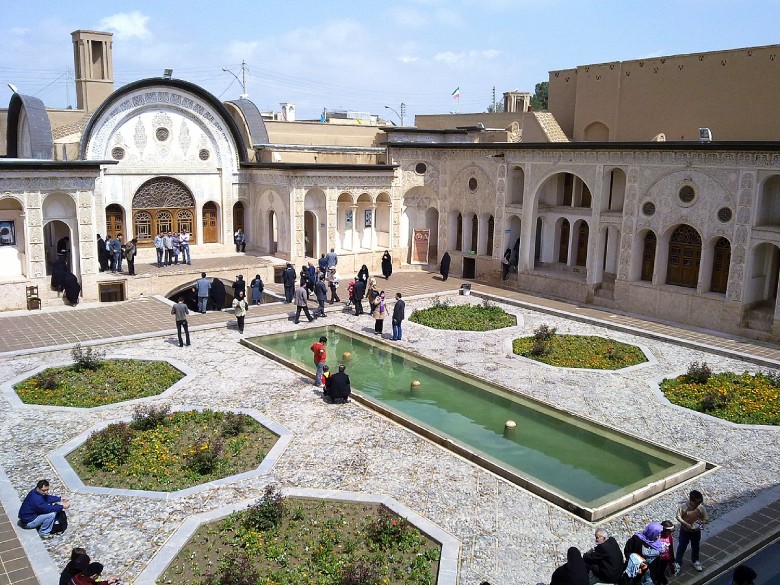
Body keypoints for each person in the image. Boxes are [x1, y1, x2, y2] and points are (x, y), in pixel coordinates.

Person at [674, 489, 708, 573]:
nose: (697, 505)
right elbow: (678, 517)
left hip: (696, 531)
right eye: (696, 503)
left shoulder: (701, 508)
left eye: (699, 503)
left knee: (695, 546)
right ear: (691, 500)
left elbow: (706, 519)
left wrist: (701, 523)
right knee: (682, 546)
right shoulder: (683, 507)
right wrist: (685, 524)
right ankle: (678, 563)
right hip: (685, 531)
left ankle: (695, 561)